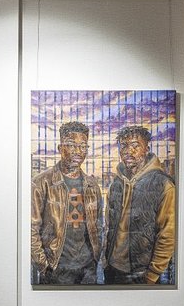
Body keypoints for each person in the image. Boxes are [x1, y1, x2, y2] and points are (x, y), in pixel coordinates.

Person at [31, 121, 103, 285]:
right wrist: (44, 266)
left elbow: (99, 225)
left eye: (83, 146)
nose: (78, 151)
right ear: (60, 148)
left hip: (88, 268)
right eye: (71, 145)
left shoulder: (92, 186)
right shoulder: (42, 183)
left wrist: (96, 257)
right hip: (56, 268)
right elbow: (31, 229)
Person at [104, 125, 176, 285]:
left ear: (146, 149)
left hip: (143, 274)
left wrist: (152, 274)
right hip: (112, 269)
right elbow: (108, 225)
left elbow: (168, 234)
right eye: (124, 146)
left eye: (135, 145)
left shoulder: (163, 184)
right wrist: (105, 262)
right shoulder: (116, 183)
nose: (128, 151)